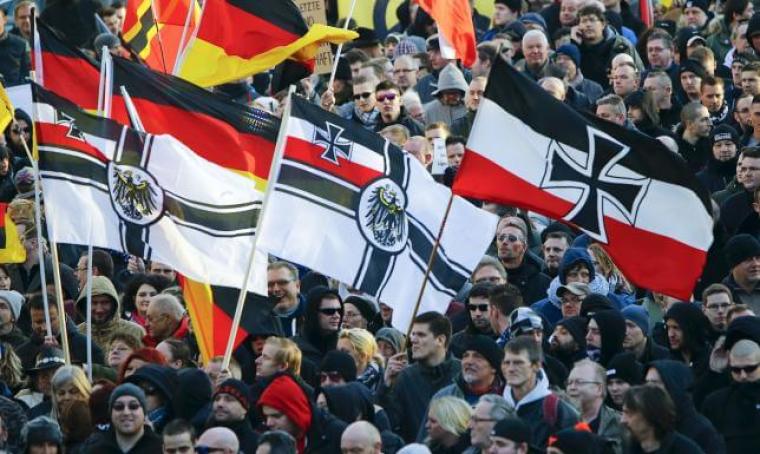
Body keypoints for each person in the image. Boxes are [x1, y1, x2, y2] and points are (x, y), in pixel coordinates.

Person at [377, 312, 460, 443]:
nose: (413, 340)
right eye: (413, 334)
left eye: (421, 335)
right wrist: (386, 386)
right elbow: (389, 423)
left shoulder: (461, 373)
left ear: (440, 340)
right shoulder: (406, 376)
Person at [501, 336, 578, 450]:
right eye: (507, 363)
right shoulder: (494, 406)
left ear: (536, 366)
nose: (511, 369)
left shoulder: (560, 412)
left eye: (518, 363)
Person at [644, 360, 725, 453]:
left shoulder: (702, 431)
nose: (647, 388)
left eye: (655, 383)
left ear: (673, 386)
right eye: (647, 382)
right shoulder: (649, 424)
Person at [17, 293, 105, 371]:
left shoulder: (85, 346)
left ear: (62, 316)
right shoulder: (22, 353)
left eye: (50, 320)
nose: (44, 328)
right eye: (38, 322)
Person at [701, 339, 760, 452]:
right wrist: (713, 372)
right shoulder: (715, 403)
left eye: (750, 369)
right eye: (736, 370)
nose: (743, 375)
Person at [574, 3, 642, 89]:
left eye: (592, 20)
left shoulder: (621, 45)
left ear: (603, 24)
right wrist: (574, 44)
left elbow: (638, 73)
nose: (588, 25)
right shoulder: (575, 47)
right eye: (584, 21)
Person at [80, 383, 163, 452]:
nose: (126, 412)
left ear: (144, 413)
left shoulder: (162, 448)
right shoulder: (95, 450)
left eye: (133, 406)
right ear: (111, 413)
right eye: (119, 407)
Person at [621, 385, 705, 453]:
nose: (623, 420)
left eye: (629, 414)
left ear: (650, 415)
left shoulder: (686, 450)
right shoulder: (630, 448)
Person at [76, 276, 144, 351]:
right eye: (94, 303)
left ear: (114, 304)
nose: (99, 310)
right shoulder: (77, 334)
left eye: (105, 303)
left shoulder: (134, 332)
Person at [565, 359, 622, 448]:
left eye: (579, 382)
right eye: (569, 383)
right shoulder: (560, 420)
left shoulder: (620, 423)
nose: (572, 387)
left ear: (599, 389)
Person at [495, 219, 551, 306]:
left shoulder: (542, 283)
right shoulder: (488, 276)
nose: (504, 242)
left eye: (512, 238)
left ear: (524, 247)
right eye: (501, 238)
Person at [293, 286, 343, 366]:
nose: (337, 315)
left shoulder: (343, 347)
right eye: (329, 311)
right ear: (313, 314)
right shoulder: (293, 349)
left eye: (340, 311)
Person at [206, 379, 259, 454]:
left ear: (245, 408)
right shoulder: (204, 436)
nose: (220, 404)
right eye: (217, 399)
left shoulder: (256, 444)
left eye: (229, 400)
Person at [663, 302, 712, 377]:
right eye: (668, 328)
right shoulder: (667, 364)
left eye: (676, 328)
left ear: (691, 329)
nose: (671, 334)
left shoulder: (712, 362)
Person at [450, 282, 497, 357]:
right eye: (472, 308)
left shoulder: (509, 339)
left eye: (483, 308)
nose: (477, 313)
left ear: (496, 308)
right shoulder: (456, 342)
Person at [337, 328, 384, 392]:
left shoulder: (384, 381)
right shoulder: (331, 379)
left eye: (344, 352)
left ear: (363, 356)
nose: (337, 356)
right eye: (337, 351)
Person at [721, 234, 760, 311]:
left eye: (758, 258)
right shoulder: (720, 295)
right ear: (734, 265)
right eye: (748, 260)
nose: (756, 264)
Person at [423, 63, 468, 128]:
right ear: (441, 94)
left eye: (455, 92)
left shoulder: (471, 108)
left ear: (461, 92)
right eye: (447, 93)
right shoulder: (430, 111)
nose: (451, 96)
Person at [267, 261, 304, 337]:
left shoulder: (317, 315)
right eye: (270, 284)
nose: (276, 289)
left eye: (282, 282)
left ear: (297, 286)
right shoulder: (254, 319)